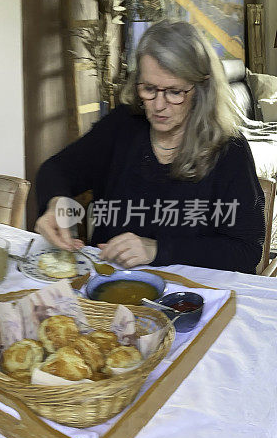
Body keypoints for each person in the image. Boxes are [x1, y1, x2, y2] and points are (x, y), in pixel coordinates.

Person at [35, 20, 265, 273]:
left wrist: (157, 250)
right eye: (149, 88)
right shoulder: (123, 125)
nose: (158, 105)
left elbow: (245, 250)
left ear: (201, 89)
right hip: (109, 289)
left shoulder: (229, 150)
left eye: (175, 92)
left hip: (191, 298)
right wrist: (56, 202)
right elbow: (56, 169)